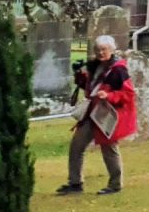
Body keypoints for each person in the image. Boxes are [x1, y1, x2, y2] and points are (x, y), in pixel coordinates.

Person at [57, 35, 137, 196]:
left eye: (104, 49)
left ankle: (115, 185)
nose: (100, 53)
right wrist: (79, 75)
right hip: (91, 113)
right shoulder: (94, 66)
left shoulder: (119, 70)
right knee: (76, 146)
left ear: (112, 50)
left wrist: (109, 96)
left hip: (107, 115)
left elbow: (128, 94)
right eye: (97, 50)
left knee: (109, 149)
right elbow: (89, 85)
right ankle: (75, 183)